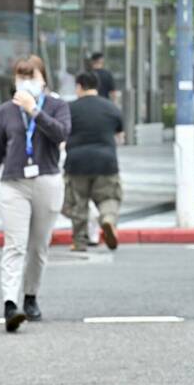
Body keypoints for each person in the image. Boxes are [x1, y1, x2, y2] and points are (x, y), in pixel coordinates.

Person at [0, 55, 71, 332]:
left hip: (47, 180)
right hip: (14, 183)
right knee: (14, 244)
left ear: (44, 79)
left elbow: (62, 133)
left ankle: (30, 296)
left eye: (31, 76)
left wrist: (35, 112)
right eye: (21, 76)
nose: (26, 82)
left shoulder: (57, 106)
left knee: (38, 246)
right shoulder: (7, 111)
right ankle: (10, 304)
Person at [64, 71, 124, 252]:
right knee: (109, 198)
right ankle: (107, 220)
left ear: (79, 86)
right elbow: (119, 135)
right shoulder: (111, 108)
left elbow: (61, 133)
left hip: (77, 162)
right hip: (106, 162)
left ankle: (80, 241)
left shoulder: (70, 108)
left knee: (78, 203)